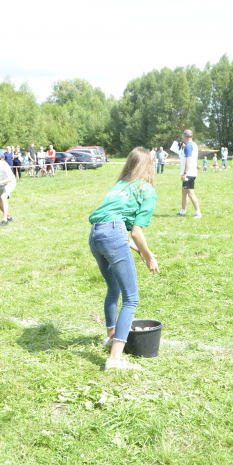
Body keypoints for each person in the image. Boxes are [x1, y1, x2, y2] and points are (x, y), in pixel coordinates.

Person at [88, 147, 159, 371]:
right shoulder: (147, 190)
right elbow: (136, 232)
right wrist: (148, 255)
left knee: (113, 289)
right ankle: (115, 359)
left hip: (95, 235)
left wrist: (136, 249)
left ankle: (110, 337)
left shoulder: (120, 185)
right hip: (112, 235)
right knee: (131, 298)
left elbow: (109, 222)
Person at [171, 130, 201, 219]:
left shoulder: (188, 146)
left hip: (189, 173)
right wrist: (183, 146)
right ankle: (182, 211)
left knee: (190, 193)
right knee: (184, 192)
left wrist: (185, 173)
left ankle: (198, 212)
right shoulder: (193, 145)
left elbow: (188, 159)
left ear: (184, 136)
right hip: (191, 172)